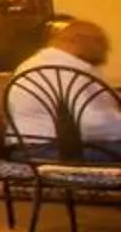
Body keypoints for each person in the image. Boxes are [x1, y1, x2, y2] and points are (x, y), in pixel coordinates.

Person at [8, 19, 121, 154]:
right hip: (49, 150)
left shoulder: (42, 63)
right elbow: (90, 125)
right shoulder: (64, 70)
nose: (106, 49)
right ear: (78, 40)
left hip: (39, 146)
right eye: (100, 42)